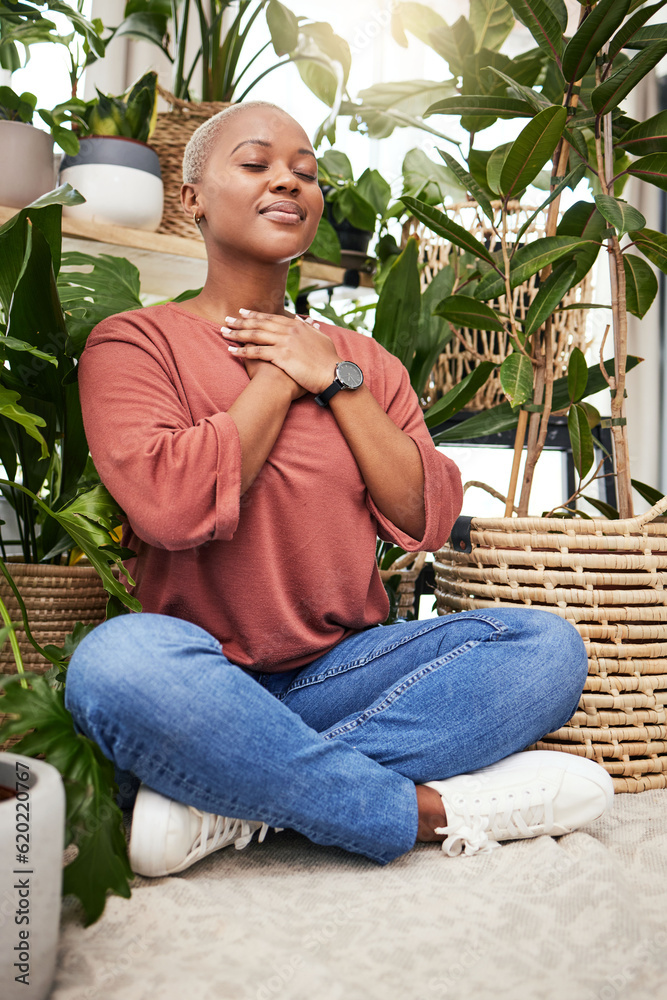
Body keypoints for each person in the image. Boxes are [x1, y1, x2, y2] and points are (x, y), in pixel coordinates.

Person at [65, 101, 613, 878]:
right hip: (197, 675)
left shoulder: (362, 363)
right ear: (191, 198)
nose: (287, 180)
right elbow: (173, 506)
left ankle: (230, 793)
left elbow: (424, 517)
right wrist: (279, 372)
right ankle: (424, 813)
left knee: (543, 651)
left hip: (341, 676)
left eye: (305, 172)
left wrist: (335, 379)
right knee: (113, 667)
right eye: (255, 164)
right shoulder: (135, 342)